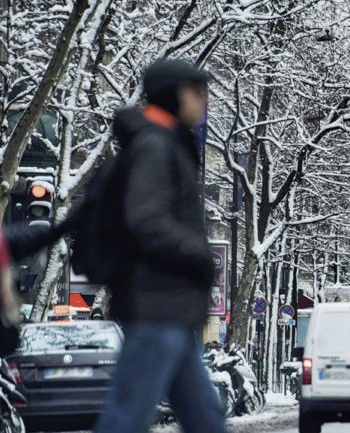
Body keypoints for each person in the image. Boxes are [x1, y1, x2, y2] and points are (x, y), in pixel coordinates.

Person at [92, 59, 225, 433]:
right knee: (126, 417)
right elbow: (146, 220)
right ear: (175, 94)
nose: (203, 101)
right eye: (197, 92)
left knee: (207, 420)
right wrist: (200, 255)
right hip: (157, 307)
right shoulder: (154, 144)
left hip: (174, 310)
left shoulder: (166, 142)